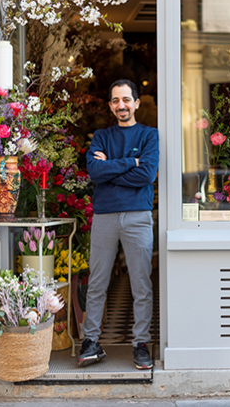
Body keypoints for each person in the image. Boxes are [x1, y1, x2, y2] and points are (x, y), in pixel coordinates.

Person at [80, 79, 159, 370]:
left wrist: (112, 168)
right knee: (97, 282)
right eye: (115, 100)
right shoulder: (101, 136)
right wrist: (131, 162)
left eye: (126, 100)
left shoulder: (150, 135)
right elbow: (95, 172)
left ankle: (140, 343)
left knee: (141, 283)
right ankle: (91, 342)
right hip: (104, 215)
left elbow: (147, 175)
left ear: (136, 103)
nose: (121, 105)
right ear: (110, 105)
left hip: (138, 216)